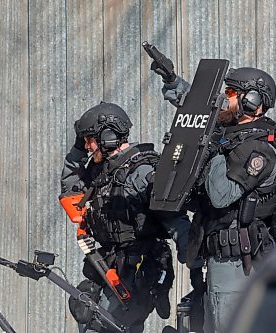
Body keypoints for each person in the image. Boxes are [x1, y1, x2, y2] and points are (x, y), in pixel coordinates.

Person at [152, 63, 276, 333]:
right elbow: (203, 111)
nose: (223, 98)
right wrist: (173, 82)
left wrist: (209, 149)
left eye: (230, 92)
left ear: (251, 101)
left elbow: (222, 195)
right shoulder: (233, 135)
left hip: (237, 263)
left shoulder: (260, 148)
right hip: (221, 259)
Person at [60, 102, 192, 333]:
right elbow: (71, 189)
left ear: (108, 137)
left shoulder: (142, 171)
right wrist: (77, 152)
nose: (87, 146)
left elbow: (175, 219)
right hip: (108, 265)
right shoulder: (103, 170)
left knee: (103, 327)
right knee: (88, 317)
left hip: (139, 269)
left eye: (89, 139)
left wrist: (195, 262)